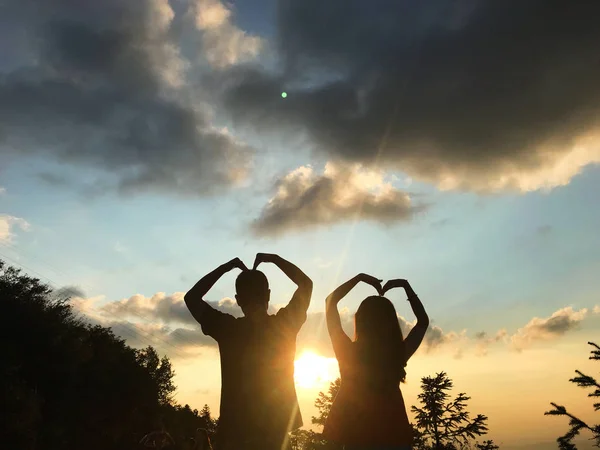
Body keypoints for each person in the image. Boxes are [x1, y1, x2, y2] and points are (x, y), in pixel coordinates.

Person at [184, 254, 313, 450]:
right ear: (268, 295)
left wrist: (225, 267)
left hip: (234, 432)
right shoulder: (284, 325)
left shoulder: (227, 329)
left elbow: (191, 298)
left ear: (237, 300)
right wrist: (275, 259)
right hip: (275, 431)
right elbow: (306, 284)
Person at [323, 274, 429, 450]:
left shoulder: (348, 352)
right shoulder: (397, 354)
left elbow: (330, 302)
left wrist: (358, 279)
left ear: (361, 321)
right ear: (391, 322)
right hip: (394, 433)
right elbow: (423, 322)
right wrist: (405, 286)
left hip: (356, 434)